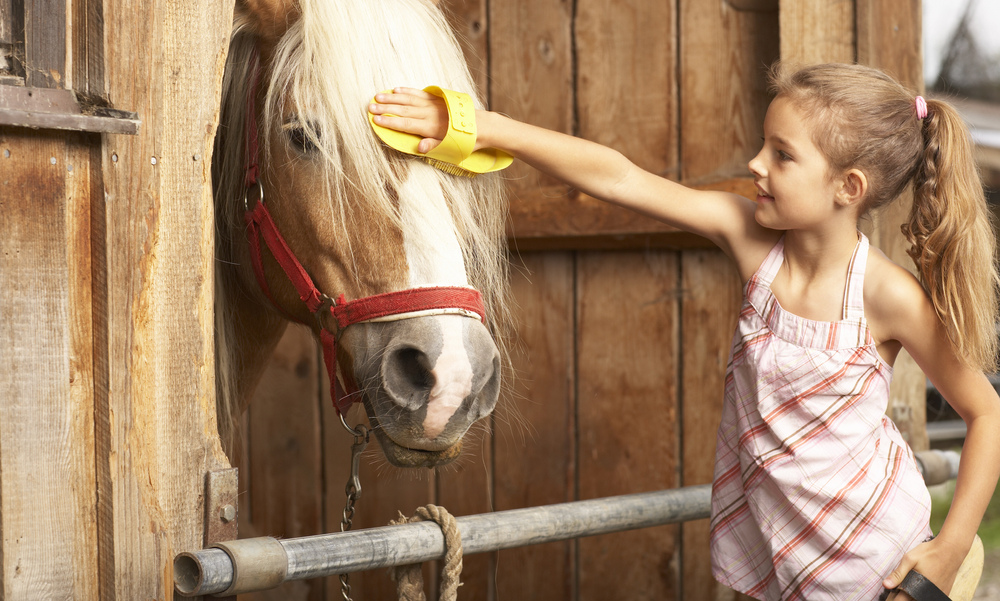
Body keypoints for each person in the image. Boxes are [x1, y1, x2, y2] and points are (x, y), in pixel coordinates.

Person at [368, 62, 1000, 601]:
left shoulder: (886, 296)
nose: (755, 163)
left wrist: (949, 548)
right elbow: (620, 177)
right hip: (786, 548)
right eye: (763, 143)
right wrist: (485, 125)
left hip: (877, 559)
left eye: (781, 155)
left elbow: (987, 412)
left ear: (848, 187)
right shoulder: (751, 238)